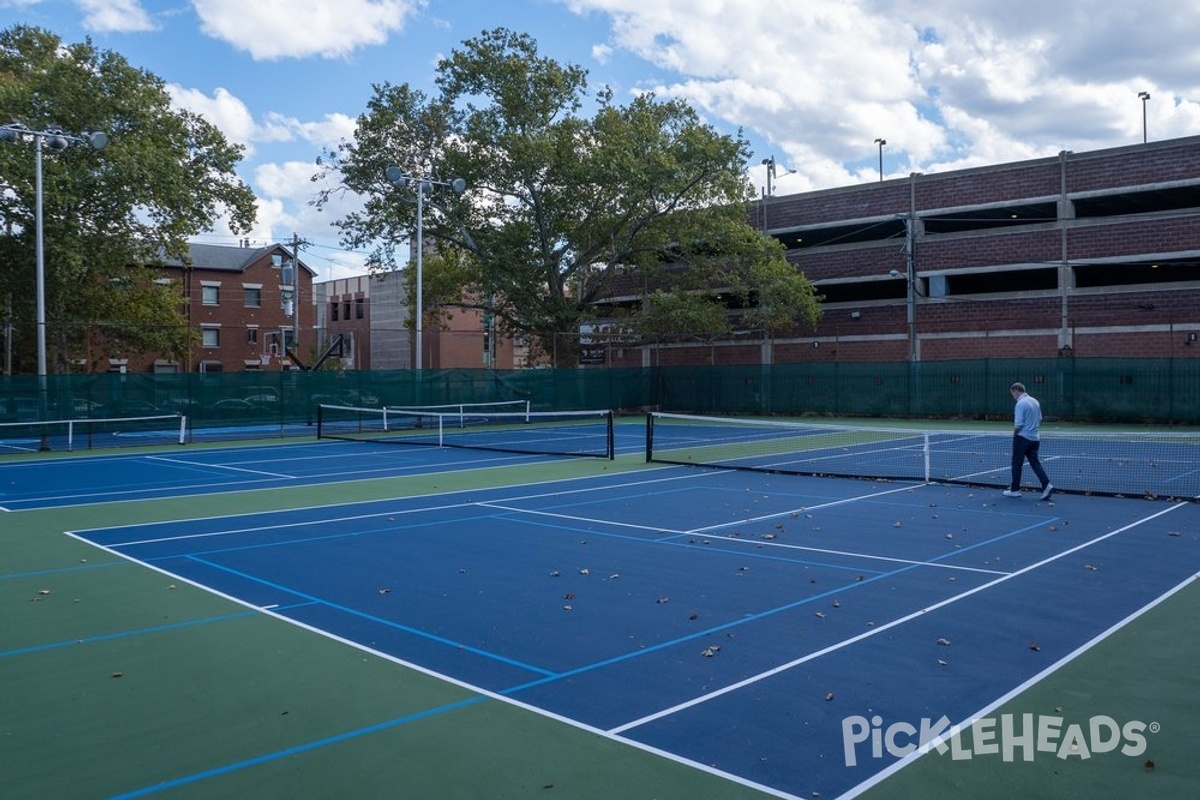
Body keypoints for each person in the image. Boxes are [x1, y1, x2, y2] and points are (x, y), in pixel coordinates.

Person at [1003, 382, 1054, 500]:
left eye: (1012, 394)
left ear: (1016, 390)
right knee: (1035, 463)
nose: (1013, 396)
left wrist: (1015, 435)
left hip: (1022, 438)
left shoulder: (1020, 404)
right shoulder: (1035, 401)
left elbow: (1019, 424)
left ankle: (1014, 490)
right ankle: (1046, 485)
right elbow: (1040, 419)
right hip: (1035, 439)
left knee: (1016, 464)